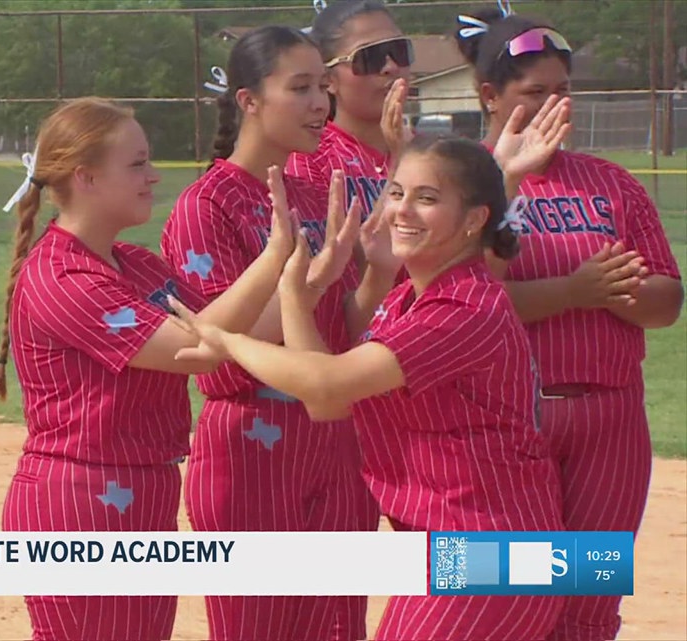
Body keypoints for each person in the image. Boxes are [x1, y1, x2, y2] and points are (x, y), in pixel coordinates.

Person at [170, 135, 567, 641]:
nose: (402, 209)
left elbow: (326, 382)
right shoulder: (411, 300)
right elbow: (324, 400)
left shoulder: (464, 307)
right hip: (461, 550)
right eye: (397, 192)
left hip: (491, 555)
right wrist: (298, 293)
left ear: (474, 220)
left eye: (427, 198)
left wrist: (228, 340)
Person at [0, 97, 305, 641]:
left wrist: (312, 276)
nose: (153, 175)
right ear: (85, 177)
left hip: (143, 491)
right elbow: (198, 346)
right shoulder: (62, 277)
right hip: (80, 503)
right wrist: (274, 256)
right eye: (136, 164)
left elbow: (232, 331)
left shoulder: (136, 264)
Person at [454, 9, 685, 640]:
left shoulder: (609, 183)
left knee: (589, 600)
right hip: (503, 423)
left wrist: (611, 293)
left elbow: (666, 298)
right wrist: (577, 290)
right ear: (489, 95)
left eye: (563, 89)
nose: (554, 104)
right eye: (534, 91)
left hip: (609, 421)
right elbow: (460, 306)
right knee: (505, 596)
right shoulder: (458, 180)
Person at [160, 25, 395, 641]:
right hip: (251, 443)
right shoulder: (206, 205)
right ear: (249, 100)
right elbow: (214, 346)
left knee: (339, 627)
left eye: (323, 87)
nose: (320, 103)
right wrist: (306, 284)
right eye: (300, 88)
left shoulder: (318, 193)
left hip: (336, 438)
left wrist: (376, 273)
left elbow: (343, 328)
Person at [288, 0, 415, 218]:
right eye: (369, 58)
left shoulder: (433, 152)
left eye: (399, 51)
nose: (391, 67)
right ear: (328, 79)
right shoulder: (310, 159)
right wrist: (401, 159)